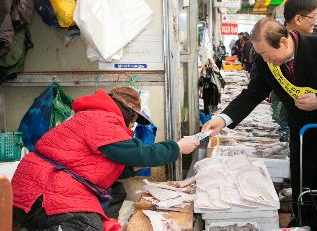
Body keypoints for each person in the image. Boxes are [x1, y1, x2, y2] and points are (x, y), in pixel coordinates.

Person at [202, 18, 317, 230]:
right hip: (302, 135)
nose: (264, 59)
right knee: (303, 193)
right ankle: (305, 226)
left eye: (266, 53)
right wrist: (223, 119)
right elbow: (253, 93)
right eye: (260, 55)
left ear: (284, 42)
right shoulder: (266, 62)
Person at [12, 86, 200, 231]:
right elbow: (139, 153)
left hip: (54, 181)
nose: (134, 124)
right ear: (126, 111)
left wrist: (130, 169)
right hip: (41, 192)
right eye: (134, 118)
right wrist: (176, 148)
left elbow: (95, 164)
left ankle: (102, 223)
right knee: (87, 226)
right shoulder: (100, 120)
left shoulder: (96, 117)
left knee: (116, 191)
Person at [271, 0, 317, 142]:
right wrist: (224, 119)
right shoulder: (271, 47)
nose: (315, 22)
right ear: (298, 19)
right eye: (314, 17)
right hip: (295, 129)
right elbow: (253, 91)